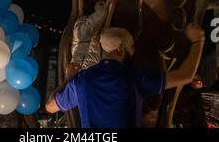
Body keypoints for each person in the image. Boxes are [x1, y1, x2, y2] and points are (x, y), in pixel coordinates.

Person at [46, 23, 205, 128]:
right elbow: (185, 75)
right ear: (120, 50)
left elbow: (50, 107)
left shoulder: (81, 80)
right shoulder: (134, 77)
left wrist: (69, 78)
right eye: (131, 47)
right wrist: (198, 40)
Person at [66, 0, 117, 79]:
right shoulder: (81, 25)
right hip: (82, 70)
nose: (103, 6)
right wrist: (106, 5)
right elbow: (91, 25)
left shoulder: (97, 33)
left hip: (90, 72)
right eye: (100, 4)